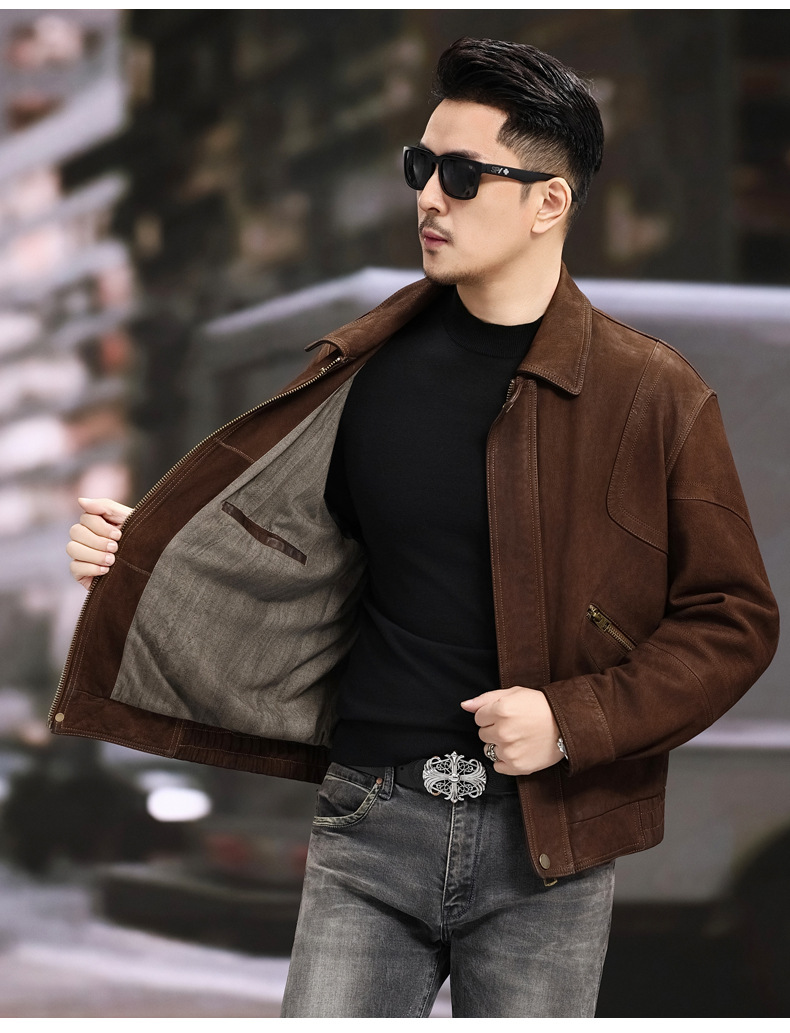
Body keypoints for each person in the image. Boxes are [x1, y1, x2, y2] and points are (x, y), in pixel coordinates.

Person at [58, 37, 778, 1017]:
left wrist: (572, 721)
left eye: (463, 175)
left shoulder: (653, 395)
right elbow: (298, 561)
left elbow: (733, 617)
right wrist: (141, 552)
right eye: (420, 166)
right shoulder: (360, 369)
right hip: (369, 819)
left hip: (549, 847)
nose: (429, 197)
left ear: (548, 202)